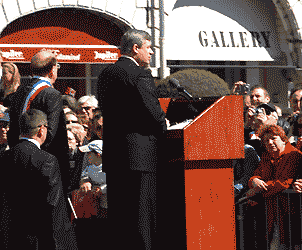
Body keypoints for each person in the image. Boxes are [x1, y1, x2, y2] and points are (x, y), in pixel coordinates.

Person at [97, 29, 169, 250]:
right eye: (148, 48)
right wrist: (165, 125)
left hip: (116, 156)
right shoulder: (140, 74)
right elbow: (154, 113)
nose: (151, 53)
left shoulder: (105, 74)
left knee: (120, 216)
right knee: (142, 216)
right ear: (135, 48)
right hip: (140, 157)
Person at [0, 109, 78, 250]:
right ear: (41, 130)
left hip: (9, 237)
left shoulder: (4, 157)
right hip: (38, 238)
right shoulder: (47, 160)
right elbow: (53, 205)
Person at [6, 49, 70, 193]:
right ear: (52, 70)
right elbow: (51, 134)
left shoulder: (19, 92)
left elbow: (12, 130)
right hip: (45, 167)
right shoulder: (52, 94)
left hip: (17, 161)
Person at [247, 124, 302, 249]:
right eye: (266, 140)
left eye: (273, 138)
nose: (270, 142)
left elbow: (282, 183)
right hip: (270, 213)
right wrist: (254, 180)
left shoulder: (293, 155)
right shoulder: (266, 156)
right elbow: (256, 175)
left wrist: (256, 191)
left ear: (283, 138)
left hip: (289, 214)